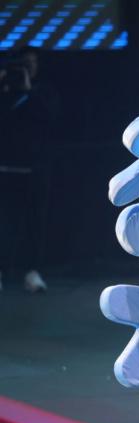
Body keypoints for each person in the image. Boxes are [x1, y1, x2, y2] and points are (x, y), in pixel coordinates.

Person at [0, 46, 56, 292]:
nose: (27, 68)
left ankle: (32, 272)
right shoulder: (4, 92)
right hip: (4, 168)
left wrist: (28, 90)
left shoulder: (43, 93)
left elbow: (51, 120)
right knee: (4, 223)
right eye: (23, 64)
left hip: (35, 169)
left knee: (34, 224)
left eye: (31, 63)